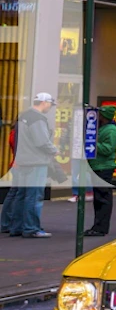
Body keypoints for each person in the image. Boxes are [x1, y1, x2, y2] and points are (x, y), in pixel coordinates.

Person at [3, 92, 57, 238]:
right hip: (36, 162)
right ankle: (31, 228)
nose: (50, 107)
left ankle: (17, 227)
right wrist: (54, 150)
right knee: (34, 196)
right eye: (50, 104)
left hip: (22, 162)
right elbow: (42, 141)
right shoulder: (37, 118)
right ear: (44, 103)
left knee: (21, 195)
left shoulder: (24, 116)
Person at [85, 105, 116, 237]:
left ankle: (100, 227)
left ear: (105, 117)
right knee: (99, 198)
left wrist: (92, 143)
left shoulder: (110, 130)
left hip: (104, 167)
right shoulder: (103, 128)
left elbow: (108, 149)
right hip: (98, 166)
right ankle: (98, 226)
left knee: (103, 199)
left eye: (100, 115)